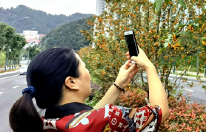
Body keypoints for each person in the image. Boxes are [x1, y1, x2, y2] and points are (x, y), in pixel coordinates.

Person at [9, 47, 169, 132]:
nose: (88, 72)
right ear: (71, 82)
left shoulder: (41, 124)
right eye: (84, 67)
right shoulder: (110, 118)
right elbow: (160, 112)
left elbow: (87, 118)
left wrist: (118, 85)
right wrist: (149, 66)